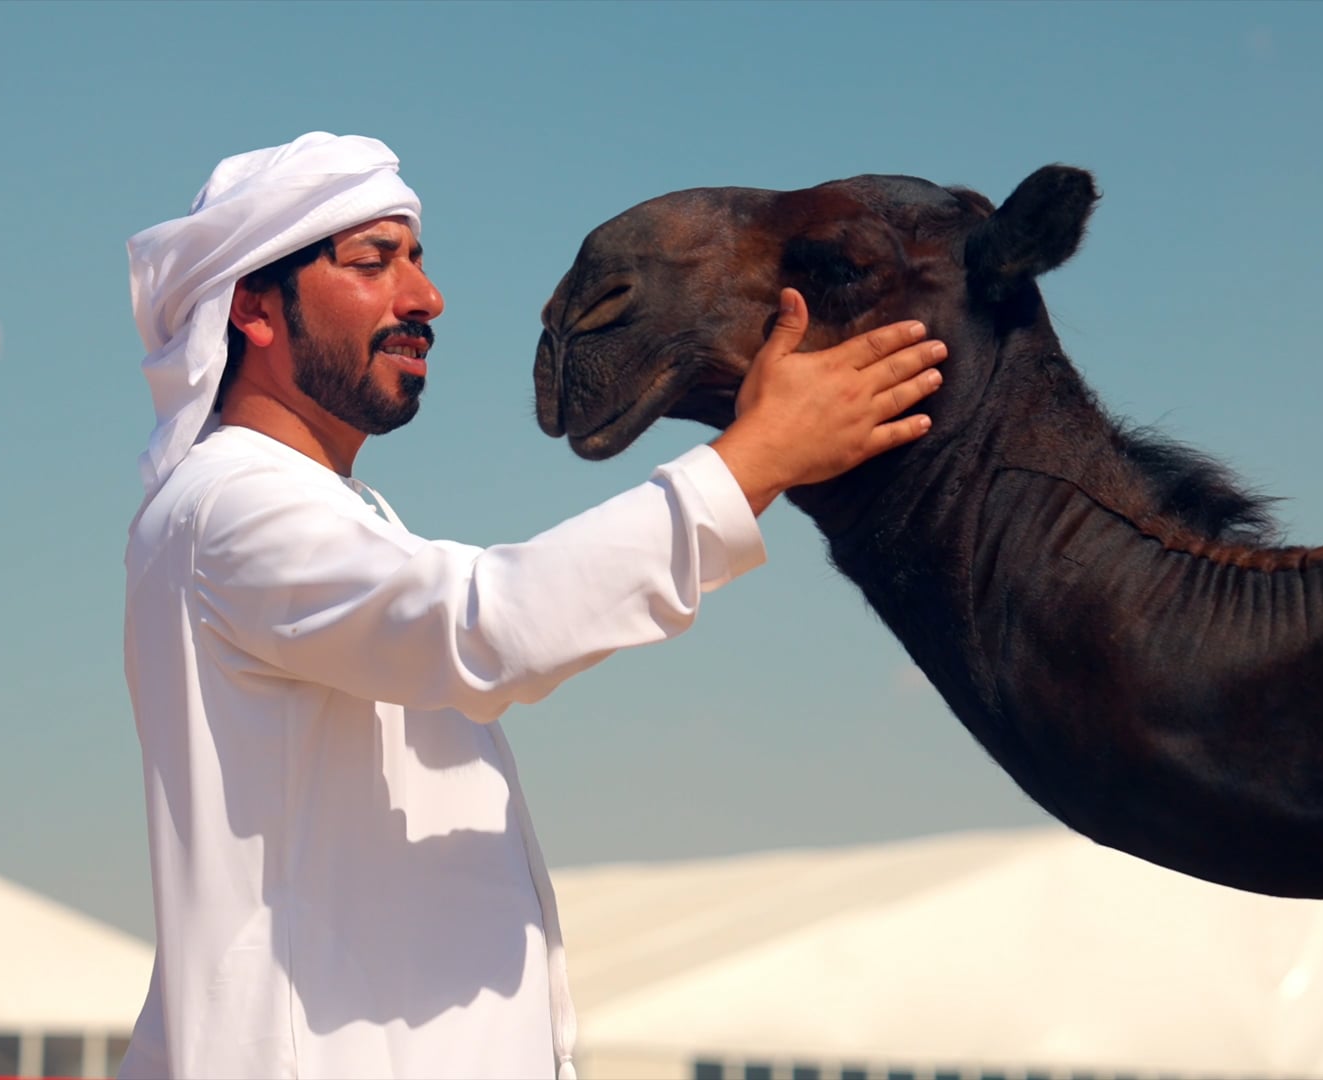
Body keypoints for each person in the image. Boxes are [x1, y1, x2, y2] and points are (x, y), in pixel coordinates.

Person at [116, 132, 947, 1080]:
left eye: (418, 261)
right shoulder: (229, 506)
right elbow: (488, 627)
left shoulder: (333, 517)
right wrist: (758, 458)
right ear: (254, 310)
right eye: (372, 261)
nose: (424, 298)